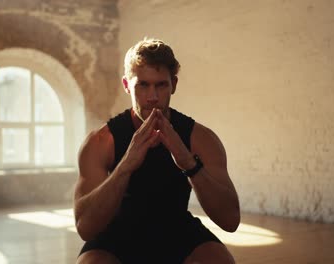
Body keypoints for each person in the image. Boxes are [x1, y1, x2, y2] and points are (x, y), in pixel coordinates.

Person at [73, 38, 240, 264]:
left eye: (161, 85)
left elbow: (230, 220)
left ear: (174, 84)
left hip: (176, 228)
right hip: (118, 232)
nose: (152, 97)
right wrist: (125, 166)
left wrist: (189, 163)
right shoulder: (102, 142)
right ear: (126, 85)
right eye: (142, 85)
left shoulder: (200, 138)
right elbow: (85, 228)